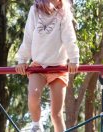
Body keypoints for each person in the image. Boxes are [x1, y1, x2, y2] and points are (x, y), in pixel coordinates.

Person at [15, 0, 79, 131]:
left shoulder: (64, 11)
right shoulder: (35, 10)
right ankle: (37, 126)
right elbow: (28, 37)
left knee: (56, 114)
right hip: (38, 66)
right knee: (33, 94)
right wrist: (22, 60)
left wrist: (73, 59)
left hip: (58, 67)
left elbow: (68, 36)